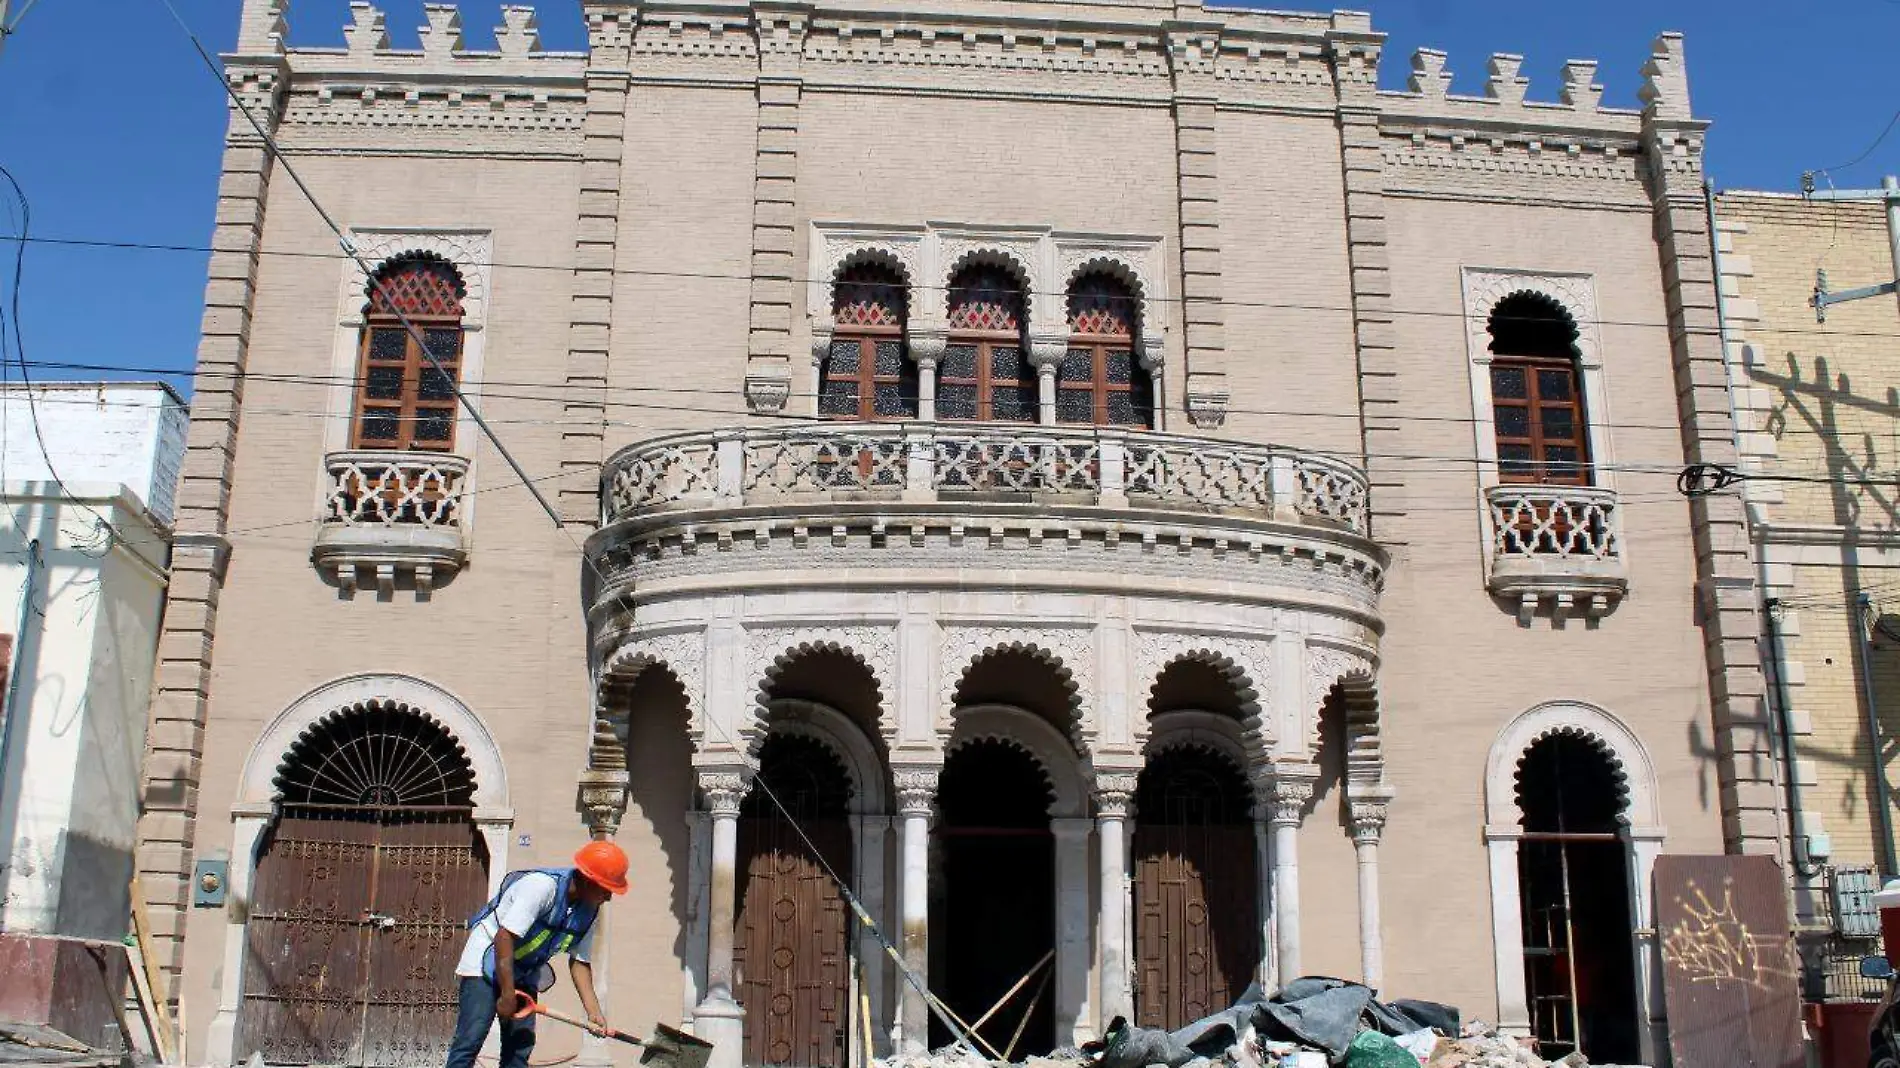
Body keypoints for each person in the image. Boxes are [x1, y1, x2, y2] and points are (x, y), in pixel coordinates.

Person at [445, 841, 631, 1068]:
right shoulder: (541, 887)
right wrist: (506, 994)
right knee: (470, 1041)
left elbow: (580, 962)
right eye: (606, 888)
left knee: (519, 1048)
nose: (609, 897)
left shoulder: (588, 911)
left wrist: (593, 1012)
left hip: (523, 970)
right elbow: (504, 937)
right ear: (587, 879)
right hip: (487, 961)